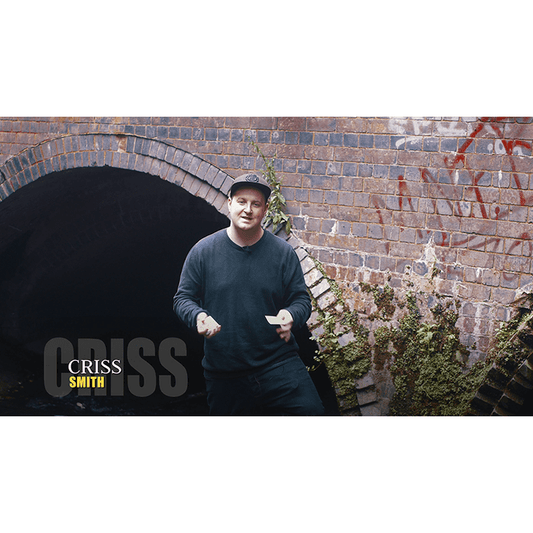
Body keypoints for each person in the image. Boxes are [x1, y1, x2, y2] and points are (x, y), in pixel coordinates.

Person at [173, 171, 324, 415]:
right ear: (229, 203)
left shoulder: (283, 253)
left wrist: (291, 315)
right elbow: (183, 299)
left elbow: (301, 300)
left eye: (256, 204)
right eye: (242, 202)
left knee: (313, 414)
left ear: (265, 210)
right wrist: (198, 316)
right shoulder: (203, 251)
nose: (248, 210)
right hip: (225, 372)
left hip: (279, 364)